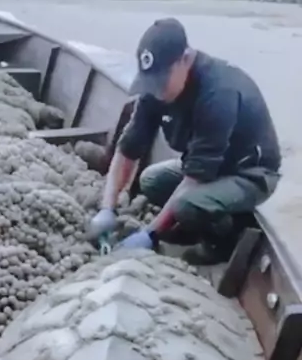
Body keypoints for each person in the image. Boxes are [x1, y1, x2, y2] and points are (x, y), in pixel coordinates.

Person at [88, 18, 281, 266]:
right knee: (151, 181)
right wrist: (107, 208)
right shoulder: (155, 90)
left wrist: (149, 234)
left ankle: (223, 242)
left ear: (186, 59)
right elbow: (128, 150)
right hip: (207, 168)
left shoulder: (218, 92)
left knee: (187, 205)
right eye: (152, 82)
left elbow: (194, 179)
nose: (157, 91)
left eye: (162, 80)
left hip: (249, 174)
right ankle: (193, 226)